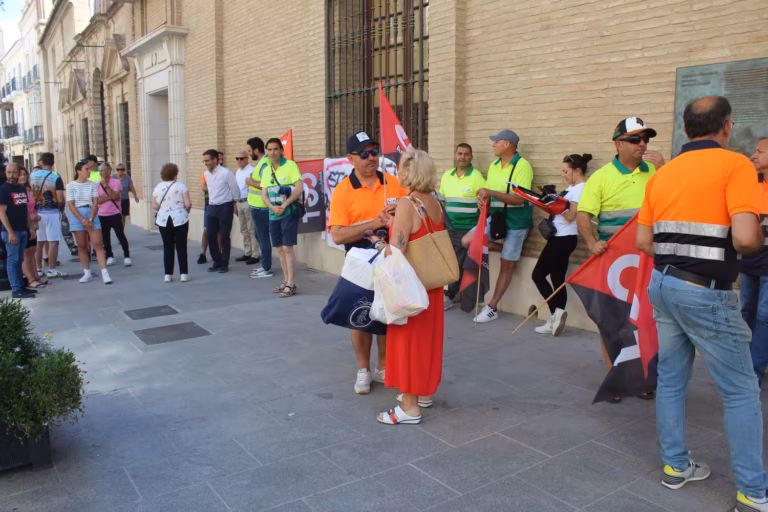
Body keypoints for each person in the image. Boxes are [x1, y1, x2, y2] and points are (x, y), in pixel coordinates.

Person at [636, 96, 768, 512]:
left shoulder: (663, 173)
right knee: (742, 391)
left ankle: (675, 467)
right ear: (726, 127)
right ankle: (753, 492)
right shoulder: (735, 166)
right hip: (706, 292)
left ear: (686, 128)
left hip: (664, 283)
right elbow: (746, 239)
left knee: (672, 380)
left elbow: (643, 242)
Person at [576, 116, 664, 402]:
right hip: (616, 263)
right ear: (618, 144)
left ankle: (644, 376)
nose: (643, 144)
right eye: (636, 139)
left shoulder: (655, 171)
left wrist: (664, 169)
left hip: (650, 260)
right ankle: (614, 373)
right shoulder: (601, 177)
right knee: (612, 319)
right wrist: (592, 242)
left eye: (645, 139)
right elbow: (583, 215)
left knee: (647, 318)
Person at [329, 131, 405, 394]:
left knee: (387, 314)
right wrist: (376, 222)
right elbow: (337, 234)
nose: (371, 158)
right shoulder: (343, 190)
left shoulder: (394, 184)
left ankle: (383, 367)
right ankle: (364, 369)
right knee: (359, 316)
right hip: (359, 262)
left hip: (390, 259)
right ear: (351, 158)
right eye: (364, 154)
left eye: (374, 152)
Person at [372, 148, 444, 425]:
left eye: (401, 168)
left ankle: (410, 407)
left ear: (408, 172)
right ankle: (423, 391)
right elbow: (420, 233)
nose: (397, 173)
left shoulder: (407, 203)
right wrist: (395, 224)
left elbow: (397, 250)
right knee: (427, 340)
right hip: (431, 282)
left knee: (408, 341)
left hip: (409, 285)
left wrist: (381, 243)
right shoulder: (432, 202)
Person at [474, 130, 534, 323]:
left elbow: (519, 199)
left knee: (506, 264)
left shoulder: (523, 166)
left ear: (507, 144)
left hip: (517, 220)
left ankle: (492, 307)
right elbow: (489, 195)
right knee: (470, 241)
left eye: (496, 142)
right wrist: (483, 202)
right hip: (498, 218)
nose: (493, 145)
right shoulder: (494, 165)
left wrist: (491, 192)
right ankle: (509, 251)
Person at [531, 154, 590, 336]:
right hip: (561, 238)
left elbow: (572, 215)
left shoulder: (581, 188)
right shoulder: (572, 188)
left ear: (577, 170)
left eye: (566, 171)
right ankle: (555, 318)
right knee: (557, 279)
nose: (563, 175)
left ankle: (555, 315)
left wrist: (554, 203)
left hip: (563, 238)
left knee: (538, 275)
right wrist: (549, 200)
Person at [439, 143, 485, 310]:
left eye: (466, 154)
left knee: (457, 262)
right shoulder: (446, 176)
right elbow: (442, 202)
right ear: (455, 155)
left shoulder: (477, 177)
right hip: (449, 228)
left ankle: (450, 295)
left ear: (471, 157)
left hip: (467, 228)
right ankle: (455, 293)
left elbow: (484, 203)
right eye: (459, 153)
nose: (462, 157)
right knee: (452, 262)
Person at [739, 137, 768, 386]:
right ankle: (743, 366)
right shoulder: (750, 182)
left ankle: (754, 373)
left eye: (759, 151)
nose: (754, 155)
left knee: (765, 315)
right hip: (750, 261)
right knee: (747, 310)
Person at [260, 138, 302, 297]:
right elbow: (264, 194)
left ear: (281, 150)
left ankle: (291, 284)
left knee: (287, 248)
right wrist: (272, 207)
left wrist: (284, 206)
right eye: (269, 150)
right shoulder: (266, 170)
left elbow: (299, 189)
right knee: (278, 248)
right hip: (273, 214)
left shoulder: (290, 165)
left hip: (288, 213)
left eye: (275, 149)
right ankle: (285, 280)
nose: (272, 153)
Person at [66, 161, 112, 284]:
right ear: (78, 171)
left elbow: (95, 202)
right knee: (81, 246)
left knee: (98, 244)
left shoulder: (93, 184)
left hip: (91, 212)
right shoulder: (70, 186)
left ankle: (105, 273)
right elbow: (70, 204)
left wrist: (90, 219)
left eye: (89, 169)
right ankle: (87, 272)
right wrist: (82, 220)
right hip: (77, 215)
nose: (89, 171)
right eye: (86, 169)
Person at [0, 163, 36, 299]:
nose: (11, 175)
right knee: (12, 259)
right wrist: (10, 232)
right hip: (11, 232)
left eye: (14, 172)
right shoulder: (3, 189)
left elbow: (24, 208)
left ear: (19, 173)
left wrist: (30, 226)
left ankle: (21, 286)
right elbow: (1, 213)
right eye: (8, 172)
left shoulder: (21, 188)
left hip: (22, 230)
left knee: (20, 259)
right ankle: (15, 289)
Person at [29, 152, 66, 278]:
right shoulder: (56, 177)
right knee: (53, 241)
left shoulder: (32, 176)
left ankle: (38, 269)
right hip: (52, 213)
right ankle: (51, 270)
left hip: (37, 213)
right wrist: (61, 210)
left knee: (39, 242)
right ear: (53, 163)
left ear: (41, 162)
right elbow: (60, 199)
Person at [153, 163, 191, 283]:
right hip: (180, 218)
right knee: (181, 246)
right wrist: (185, 211)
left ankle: (168, 274)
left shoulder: (158, 187)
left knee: (167, 246)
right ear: (175, 173)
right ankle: (183, 274)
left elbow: (154, 205)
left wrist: (163, 210)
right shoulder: (181, 186)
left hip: (164, 220)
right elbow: (188, 203)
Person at [202, 149, 239, 273]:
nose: (206, 163)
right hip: (211, 207)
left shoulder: (226, 173)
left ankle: (224, 263)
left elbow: (235, 190)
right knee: (211, 235)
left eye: (207, 160)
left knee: (224, 236)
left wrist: (234, 203)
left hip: (225, 206)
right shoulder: (206, 174)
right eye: (204, 161)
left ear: (215, 160)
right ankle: (216, 261)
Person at [246, 137, 273, 279]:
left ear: (257, 150)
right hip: (257, 206)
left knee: (263, 238)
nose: (249, 153)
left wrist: (250, 181)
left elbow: (265, 184)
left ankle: (266, 268)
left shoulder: (264, 164)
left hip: (261, 207)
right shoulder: (260, 163)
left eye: (250, 151)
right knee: (259, 236)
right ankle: (264, 265)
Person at [96, 162, 131, 267]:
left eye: (102, 170)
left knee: (120, 235)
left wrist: (106, 186)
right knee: (105, 237)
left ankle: (127, 256)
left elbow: (116, 197)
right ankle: (110, 256)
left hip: (115, 213)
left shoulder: (116, 182)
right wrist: (108, 197)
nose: (101, 172)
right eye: (100, 171)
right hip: (102, 214)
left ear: (109, 171)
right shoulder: (97, 184)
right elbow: (97, 200)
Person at [18, 167, 46, 289]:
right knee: (25, 253)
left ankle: (36, 277)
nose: (23, 177)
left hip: (33, 224)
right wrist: (32, 217)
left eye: (25, 174)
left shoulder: (27, 190)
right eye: (20, 174)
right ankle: (30, 279)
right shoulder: (17, 191)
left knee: (32, 251)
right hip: (24, 224)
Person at [233, 150, 259, 265]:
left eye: (242, 158)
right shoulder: (238, 171)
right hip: (239, 202)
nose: (239, 161)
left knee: (251, 229)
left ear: (247, 158)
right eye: (237, 158)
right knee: (243, 229)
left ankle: (255, 254)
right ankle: (247, 252)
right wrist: (234, 203)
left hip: (249, 202)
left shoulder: (252, 170)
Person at [115, 163, 139, 228]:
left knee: (123, 216)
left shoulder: (127, 178)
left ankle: (121, 231)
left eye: (122, 169)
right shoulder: (113, 177)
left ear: (124, 170)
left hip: (125, 199)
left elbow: (131, 187)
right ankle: (118, 229)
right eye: (118, 169)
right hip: (115, 200)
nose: (120, 171)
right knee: (117, 216)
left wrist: (135, 196)